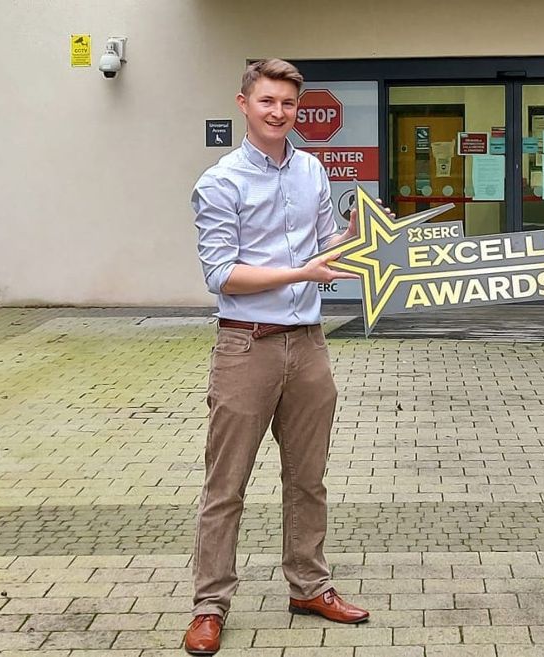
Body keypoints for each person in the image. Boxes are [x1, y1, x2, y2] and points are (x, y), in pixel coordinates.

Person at [185, 58, 374, 656]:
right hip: (246, 346)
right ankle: (209, 605)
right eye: (267, 101)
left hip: (309, 345)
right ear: (244, 103)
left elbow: (326, 247)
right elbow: (221, 275)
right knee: (227, 484)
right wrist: (303, 270)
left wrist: (361, 236)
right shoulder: (219, 182)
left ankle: (309, 586)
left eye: (288, 104)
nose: (278, 112)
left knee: (308, 480)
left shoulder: (313, 170)